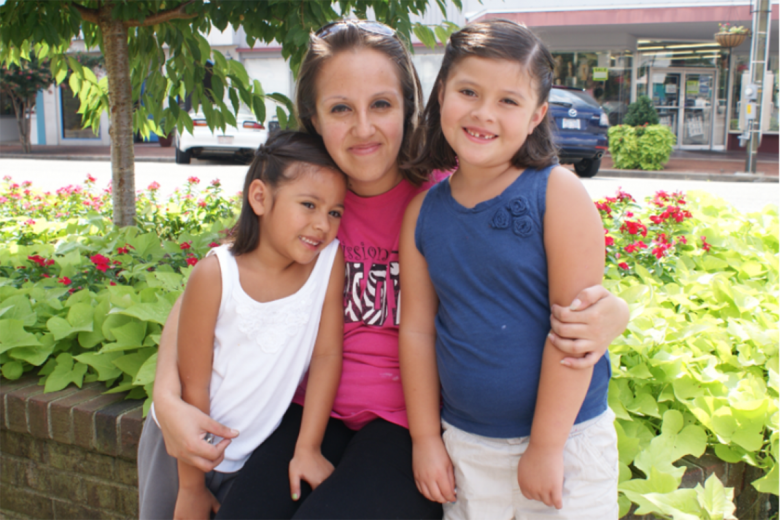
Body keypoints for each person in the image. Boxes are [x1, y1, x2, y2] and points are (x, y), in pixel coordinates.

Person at [141, 19, 630, 520]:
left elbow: (535, 280)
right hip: (310, 411)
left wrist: (614, 311)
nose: (364, 128)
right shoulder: (309, 201)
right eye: (339, 109)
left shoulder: (448, 195)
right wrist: (168, 398)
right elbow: (214, 285)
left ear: (411, 107)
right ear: (312, 116)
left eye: (381, 105)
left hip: (404, 426)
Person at [399, 20, 618, 520]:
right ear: (441, 95)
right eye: (468, 91)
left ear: (537, 114)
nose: (483, 113)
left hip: (568, 445)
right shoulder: (423, 214)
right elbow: (416, 330)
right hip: (468, 447)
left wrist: (544, 447)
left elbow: (576, 331)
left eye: (508, 101)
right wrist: (426, 438)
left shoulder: (556, 193)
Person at [139, 131, 347, 520]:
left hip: (252, 452)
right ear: (260, 197)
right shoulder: (216, 275)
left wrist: (308, 447)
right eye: (308, 205)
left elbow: (326, 355)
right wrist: (191, 487)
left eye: (335, 212)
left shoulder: (328, 261)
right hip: (180, 453)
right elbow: (193, 385)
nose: (322, 224)